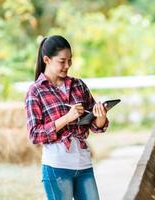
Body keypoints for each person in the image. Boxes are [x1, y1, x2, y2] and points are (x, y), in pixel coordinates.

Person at [25, 35, 108, 200]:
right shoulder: (36, 91)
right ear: (47, 59)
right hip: (57, 167)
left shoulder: (78, 85)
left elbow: (94, 125)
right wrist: (66, 118)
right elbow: (34, 134)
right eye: (62, 61)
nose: (67, 65)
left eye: (70, 60)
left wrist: (100, 116)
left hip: (84, 164)